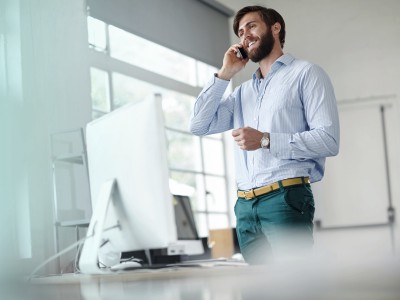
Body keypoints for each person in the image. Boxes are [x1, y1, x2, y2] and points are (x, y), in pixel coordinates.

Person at [190, 6, 340, 264]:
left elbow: (328, 140)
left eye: (251, 26)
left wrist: (265, 140)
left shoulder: (306, 74)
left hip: (284, 199)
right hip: (245, 207)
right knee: (258, 290)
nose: (245, 35)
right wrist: (225, 74)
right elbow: (199, 125)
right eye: (240, 31)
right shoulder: (241, 93)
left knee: (292, 287)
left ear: (275, 28)